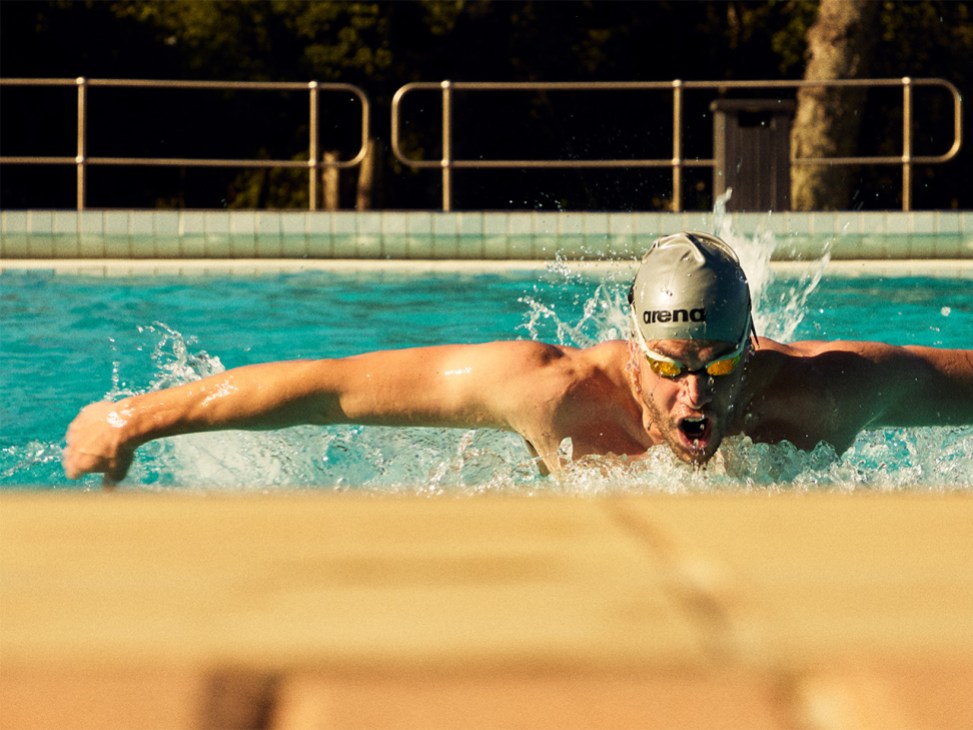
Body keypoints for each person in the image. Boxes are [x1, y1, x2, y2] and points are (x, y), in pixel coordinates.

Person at [64, 232, 973, 483]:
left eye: (719, 366)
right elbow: (328, 390)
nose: (694, 396)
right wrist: (136, 417)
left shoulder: (827, 393)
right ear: (633, 349)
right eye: (669, 366)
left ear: (752, 347)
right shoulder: (546, 392)